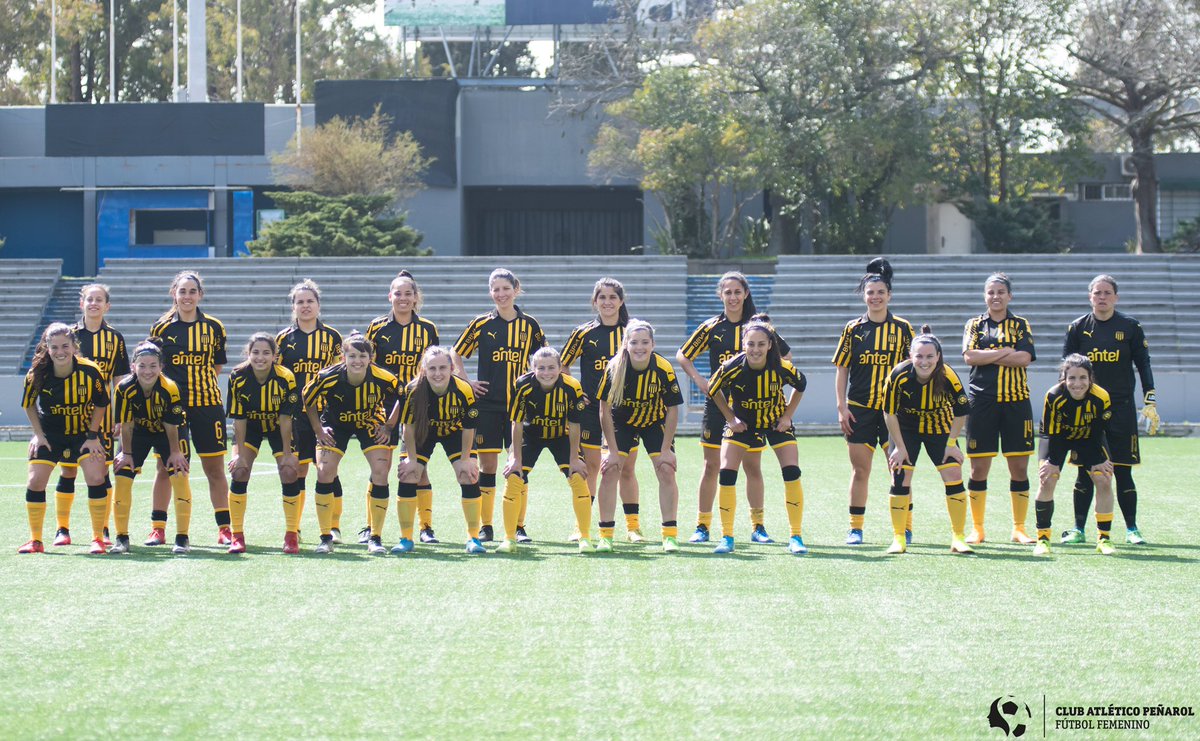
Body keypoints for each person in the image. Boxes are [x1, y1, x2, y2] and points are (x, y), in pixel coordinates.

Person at [677, 271, 790, 545]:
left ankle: (758, 526)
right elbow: (683, 355)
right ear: (720, 295)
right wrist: (700, 380)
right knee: (711, 466)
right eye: (727, 292)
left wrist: (773, 386)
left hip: (752, 407)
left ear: (746, 294)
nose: (733, 296)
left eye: (737, 291)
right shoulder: (712, 327)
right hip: (718, 405)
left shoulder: (760, 328)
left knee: (753, 466)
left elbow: (785, 356)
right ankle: (702, 526)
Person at [1061, 274, 1157, 545]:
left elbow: (1144, 363)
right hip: (1086, 410)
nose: (1101, 297)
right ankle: (1079, 529)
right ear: (1090, 297)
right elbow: (1065, 369)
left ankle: (1132, 529)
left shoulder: (1130, 327)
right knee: (1084, 470)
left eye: (1107, 293)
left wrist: (1150, 398)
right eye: (1097, 293)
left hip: (1121, 409)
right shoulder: (1078, 328)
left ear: (1116, 297)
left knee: (1123, 470)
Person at [453, 268, 547, 543]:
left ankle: (518, 526)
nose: (501, 294)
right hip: (488, 406)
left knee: (518, 464)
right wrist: (467, 382)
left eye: (506, 288)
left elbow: (543, 359)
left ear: (516, 289)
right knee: (488, 466)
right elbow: (456, 353)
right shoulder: (481, 323)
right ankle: (487, 525)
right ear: (490, 292)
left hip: (520, 407)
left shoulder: (530, 325)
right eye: (496, 289)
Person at [146, 271, 232, 552]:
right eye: (182, 291)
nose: (187, 296)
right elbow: (154, 366)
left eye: (192, 291)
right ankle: (158, 528)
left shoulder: (214, 327)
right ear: (174, 293)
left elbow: (216, 366)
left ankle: (224, 529)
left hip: (207, 406)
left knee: (214, 469)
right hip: (172, 408)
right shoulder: (161, 328)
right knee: (166, 467)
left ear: (200, 295)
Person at [708, 318, 808, 555]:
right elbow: (713, 389)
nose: (755, 349)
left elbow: (801, 385)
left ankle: (796, 536)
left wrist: (787, 416)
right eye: (751, 344)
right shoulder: (732, 366)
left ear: (770, 345)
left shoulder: (782, 367)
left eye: (761, 344)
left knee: (792, 472)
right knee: (726, 472)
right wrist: (730, 418)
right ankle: (727, 536)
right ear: (743, 344)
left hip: (775, 423)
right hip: (743, 425)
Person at [833, 258, 914, 545]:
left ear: (889, 295)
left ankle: (905, 526)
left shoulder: (904, 329)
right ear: (864, 296)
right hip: (860, 410)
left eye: (881, 292)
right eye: (870, 293)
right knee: (860, 470)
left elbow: (915, 369)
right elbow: (842, 369)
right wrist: (842, 407)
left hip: (895, 411)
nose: (876, 297)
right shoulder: (853, 329)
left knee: (900, 469)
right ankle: (856, 528)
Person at [559, 278, 641, 540]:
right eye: (602, 297)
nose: (607, 302)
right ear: (594, 302)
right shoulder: (583, 333)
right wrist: (577, 393)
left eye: (612, 297)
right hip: (592, 410)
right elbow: (563, 364)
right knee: (591, 468)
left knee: (626, 469)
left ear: (621, 300)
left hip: (626, 411)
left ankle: (632, 527)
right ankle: (581, 526)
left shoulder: (632, 331)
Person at [19, 324, 111, 554]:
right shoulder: (37, 374)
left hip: (82, 434)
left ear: (73, 346)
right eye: (54, 347)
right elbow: (29, 404)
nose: (60, 351)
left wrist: (92, 437)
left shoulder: (90, 371)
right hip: (51, 435)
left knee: (96, 476)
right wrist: (38, 436)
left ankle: (98, 538)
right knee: (35, 482)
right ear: (47, 348)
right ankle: (36, 541)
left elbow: (101, 404)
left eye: (65, 346)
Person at [303, 333, 399, 554]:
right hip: (336, 423)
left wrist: (389, 426)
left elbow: (402, 397)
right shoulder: (328, 376)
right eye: (352, 355)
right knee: (325, 471)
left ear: (370, 358)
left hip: (370, 422)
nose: (357, 360)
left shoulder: (383, 377)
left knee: (381, 471)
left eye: (362, 356)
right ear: (343, 356)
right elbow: (307, 397)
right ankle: (326, 537)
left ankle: (375, 537)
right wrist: (318, 429)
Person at [882, 327, 973, 555]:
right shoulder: (898, 375)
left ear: (938, 356)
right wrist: (900, 448)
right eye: (919, 356)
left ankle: (958, 537)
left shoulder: (948, 376)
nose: (924, 361)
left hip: (939, 427)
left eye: (930, 356)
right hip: (906, 429)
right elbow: (889, 413)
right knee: (900, 476)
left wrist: (951, 443)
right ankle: (899, 538)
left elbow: (961, 412)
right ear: (911, 356)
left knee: (953, 474)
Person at [595, 320, 685, 553]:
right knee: (610, 470)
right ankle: (606, 535)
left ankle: (670, 535)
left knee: (666, 469)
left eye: (645, 342)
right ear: (626, 344)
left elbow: (673, 409)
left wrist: (666, 450)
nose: (639, 347)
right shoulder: (614, 368)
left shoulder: (663, 368)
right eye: (634, 342)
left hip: (654, 422)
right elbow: (604, 409)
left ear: (653, 344)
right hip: (621, 422)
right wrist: (613, 452)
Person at [961, 273, 1037, 545]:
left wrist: (989, 356)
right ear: (985, 296)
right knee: (978, 469)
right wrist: (1006, 351)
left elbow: (1025, 358)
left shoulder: (1020, 324)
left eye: (1001, 292)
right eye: (991, 292)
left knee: (1018, 468)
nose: (996, 296)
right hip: (982, 403)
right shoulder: (974, 324)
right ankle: (978, 528)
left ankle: (1019, 528)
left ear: (1009, 296)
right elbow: (970, 356)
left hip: (1016, 403)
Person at [365, 270, 439, 544]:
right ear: (390, 296)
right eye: (398, 293)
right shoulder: (377, 327)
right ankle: (371, 527)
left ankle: (426, 526)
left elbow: (434, 369)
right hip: (381, 405)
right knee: (379, 467)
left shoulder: (428, 329)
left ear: (416, 297)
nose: (403, 298)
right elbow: (367, 365)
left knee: (417, 466)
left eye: (408, 293)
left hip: (418, 405)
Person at [53, 283, 130, 547]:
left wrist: (120, 415)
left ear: (107, 306)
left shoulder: (115, 338)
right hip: (69, 414)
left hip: (103, 414)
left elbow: (120, 379)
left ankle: (104, 529)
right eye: (90, 299)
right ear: (81, 303)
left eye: (99, 300)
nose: (94, 303)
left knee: (101, 473)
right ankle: (62, 529)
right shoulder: (70, 335)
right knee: (68, 471)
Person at [498, 347, 592, 553]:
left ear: (560, 368)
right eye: (541, 368)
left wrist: (575, 457)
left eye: (551, 367)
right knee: (514, 476)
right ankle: (509, 538)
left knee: (577, 476)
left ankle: (584, 537)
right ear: (533, 368)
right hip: (531, 434)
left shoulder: (572, 386)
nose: (546, 372)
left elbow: (575, 425)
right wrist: (514, 456)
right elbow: (517, 422)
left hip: (561, 435)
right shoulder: (522, 385)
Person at [396, 346, 485, 554]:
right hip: (422, 431)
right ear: (424, 369)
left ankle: (473, 538)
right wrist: (410, 458)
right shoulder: (413, 389)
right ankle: (406, 538)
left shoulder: (464, 389)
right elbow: (407, 427)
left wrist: (465, 459)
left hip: (455, 432)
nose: (438, 373)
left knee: (468, 474)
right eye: (432, 368)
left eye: (443, 368)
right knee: (409, 474)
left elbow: (468, 427)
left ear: (452, 368)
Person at [109, 339, 192, 554]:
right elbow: (126, 425)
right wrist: (126, 454)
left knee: (179, 473)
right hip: (138, 432)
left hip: (170, 432)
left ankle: (182, 538)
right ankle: (121, 538)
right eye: (142, 366)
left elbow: (170, 424)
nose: (147, 371)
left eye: (153, 366)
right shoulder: (124, 388)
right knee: (122, 473)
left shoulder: (170, 388)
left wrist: (174, 452)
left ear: (161, 367)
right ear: (133, 366)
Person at [276, 279, 343, 541]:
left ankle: (333, 527)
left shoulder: (332, 337)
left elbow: (341, 373)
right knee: (298, 470)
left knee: (327, 469)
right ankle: (296, 527)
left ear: (318, 304)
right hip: (294, 415)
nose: (305, 306)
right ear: (293, 307)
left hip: (326, 414)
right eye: (300, 302)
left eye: (310, 301)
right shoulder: (283, 338)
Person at [1032, 355, 1118, 555]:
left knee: (1103, 478)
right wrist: (1052, 462)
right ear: (1064, 378)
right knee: (1047, 478)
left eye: (1082, 378)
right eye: (1072, 378)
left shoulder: (1101, 397)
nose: (1077, 383)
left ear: (1090, 379)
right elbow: (1049, 432)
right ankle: (1043, 539)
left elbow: (1098, 432)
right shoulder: (1053, 396)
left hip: (1089, 438)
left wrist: (1098, 461)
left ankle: (1104, 539)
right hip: (1057, 438)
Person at [226, 333, 302, 554]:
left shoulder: (285, 377)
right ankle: (237, 536)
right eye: (255, 352)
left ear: (275, 355)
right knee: (239, 472)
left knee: (289, 471)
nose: (260, 357)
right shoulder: (238, 376)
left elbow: (286, 418)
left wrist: (287, 454)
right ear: (248, 354)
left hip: (279, 427)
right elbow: (238, 419)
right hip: (251, 426)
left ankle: (291, 535)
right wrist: (239, 454)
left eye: (266, 352)